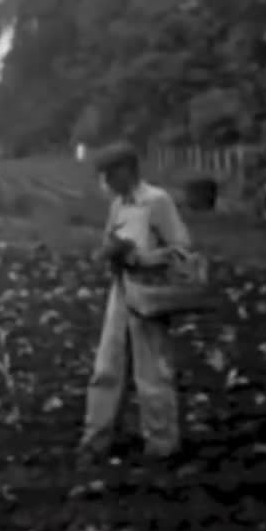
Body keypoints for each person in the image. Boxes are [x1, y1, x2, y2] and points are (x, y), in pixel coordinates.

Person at [79, 142, 193, 466]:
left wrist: (142, 257)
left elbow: (181, 251)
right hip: (122, 290)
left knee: (151, 372)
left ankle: (162, 446)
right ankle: (96, 440)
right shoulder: (119, 205)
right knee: (107, 368)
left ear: (128, 171)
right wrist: (108, 253)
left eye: (110, 174)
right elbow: (110, 239)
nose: (106, 182)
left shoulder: (156, 202)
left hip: (151, 292)